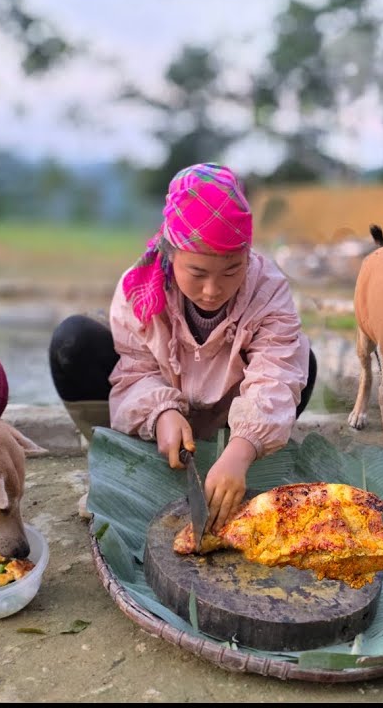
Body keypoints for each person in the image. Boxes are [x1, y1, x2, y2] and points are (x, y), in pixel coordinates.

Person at [49, 162, 316, 530]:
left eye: (231, 271)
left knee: (303, 360)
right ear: (171, 253)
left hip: (229, 413)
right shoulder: (136, 289)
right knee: (73, 342)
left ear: (247, 255)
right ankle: (125, 462)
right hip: (163, 405)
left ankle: (228, 465)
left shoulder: (268, 289)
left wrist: (242, 450)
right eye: (197, 273)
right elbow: (136, 371)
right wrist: (161, 414)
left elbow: (276, 371)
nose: (212, 290)